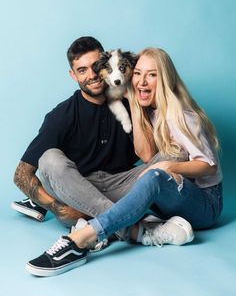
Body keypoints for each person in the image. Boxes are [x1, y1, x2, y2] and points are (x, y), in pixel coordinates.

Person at [25, 47, 223, 277]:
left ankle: (81, 239)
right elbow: (148, 157)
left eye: (152, 74)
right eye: (138, 73)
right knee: (51, 160)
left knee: (168, 160)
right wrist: (134, 101)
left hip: (204, 203)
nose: (142, 81)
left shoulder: (180, 115)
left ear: (165, 78)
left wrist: (169, 167)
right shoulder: (146, 107)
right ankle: (135, 228)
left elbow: (209, 166)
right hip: (166, 197)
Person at [12, 36, 147, 234]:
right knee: (49, 159)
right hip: (78, 194)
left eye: (95, 66)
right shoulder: (62, 115)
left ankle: (97, 223)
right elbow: (21, 175)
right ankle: (129, 228)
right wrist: (59, 208)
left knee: (174, 154)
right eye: (82, 70)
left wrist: (133, 98)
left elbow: (149, 156)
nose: (91, 75)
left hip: (120, 185)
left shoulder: (129, 99)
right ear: (73, 75)